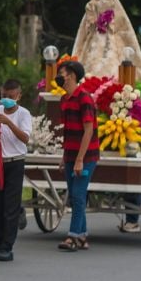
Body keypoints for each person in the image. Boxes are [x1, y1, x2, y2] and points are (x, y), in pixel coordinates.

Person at [0, 79, 31, 261]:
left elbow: (25, 138)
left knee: (11, 206)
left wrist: (8, 122)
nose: (7, 99)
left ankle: (7, 246)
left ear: (18, 96)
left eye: (11, 96)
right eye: (4, 96)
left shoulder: (24, 114)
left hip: (15, 162)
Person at [56, 58, 98, 251]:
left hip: (86, 156)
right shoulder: (64, 100)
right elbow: (67, 130)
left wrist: (80, 160)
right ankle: (82, 236)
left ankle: (72, 236)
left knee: (79, 194)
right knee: (74, 195)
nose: (59, 77)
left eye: (62, 74)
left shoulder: (84, 98)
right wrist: (65, 157)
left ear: (72, 75)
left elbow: (88, 130)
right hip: (71, 154)